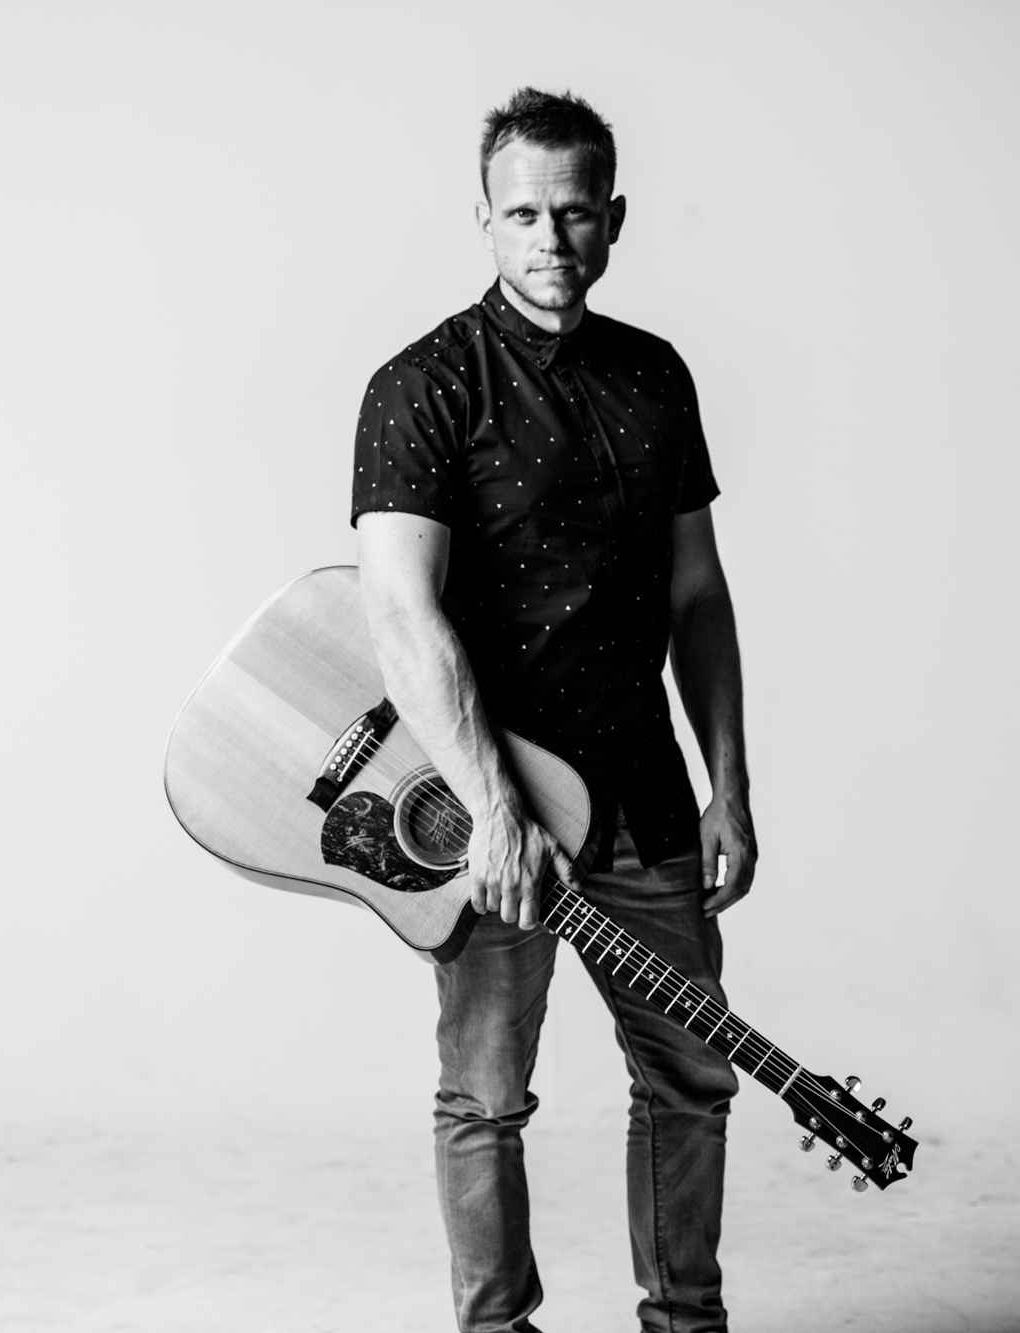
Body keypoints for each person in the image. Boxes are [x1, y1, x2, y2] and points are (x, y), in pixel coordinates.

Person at [351, 88, 757, 1333]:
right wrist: (491, 808)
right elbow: (401, 615)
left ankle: (683, 1322)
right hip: (490, 807)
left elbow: (696, 593)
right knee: (483, 1096)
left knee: (689, 1077)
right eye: (522, 213)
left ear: (612, 219)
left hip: (642, 789)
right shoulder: (421, 386)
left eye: (573, 213)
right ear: (481, 218)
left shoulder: (655, 376)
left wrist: (728, 783)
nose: (549, 238)